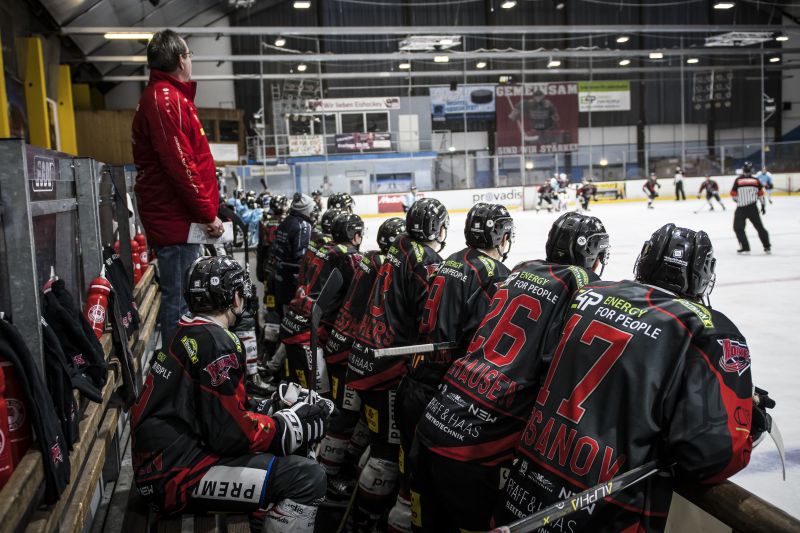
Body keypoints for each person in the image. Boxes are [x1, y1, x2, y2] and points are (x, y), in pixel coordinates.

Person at [493, 223, 772, 533]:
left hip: (523, 490)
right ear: (702, 274)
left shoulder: (590, 293)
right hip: (604, 513)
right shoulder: (706, 328)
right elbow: (709, 458)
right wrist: (746, 422)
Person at [411, 212, 610, 533]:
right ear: (593, 255)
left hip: (438, 412)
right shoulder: (581, 283)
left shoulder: (520, 270)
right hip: (477, 442)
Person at [131, 256, 333, 532]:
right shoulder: (218, 343)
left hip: (163, 466)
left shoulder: (188, 331)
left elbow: (214, 411)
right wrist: (286, 427)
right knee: (308, 477)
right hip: (175, 477)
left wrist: (268, 407)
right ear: (233, 296)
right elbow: (229, 437)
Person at [346, 198, 449, 532]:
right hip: (388, 367)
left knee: (381, 445)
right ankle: (367, 520)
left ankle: (364, 507)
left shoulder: (399, 247)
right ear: (439, 229)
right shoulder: (428, 261)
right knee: (389, 456)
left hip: (365, 354)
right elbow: (429, 320)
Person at [396, 203, 514, 457]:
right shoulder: (495, 274)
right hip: (444, 395)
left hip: (415, 377)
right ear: (502, 237)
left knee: (411, 473)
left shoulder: (450, 260)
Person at [131, 29, 224, 346]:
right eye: (189, 54)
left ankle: (181, 372)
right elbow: (181, 164)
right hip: (177, 219)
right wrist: (207, 214)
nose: (190, 60)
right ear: (181, 59)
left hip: (180, 218)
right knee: (181, 301)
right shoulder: (165, 100)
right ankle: (176, 377)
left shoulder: (171, 98)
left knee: (184, 299)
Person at [320, 218, 407, 500]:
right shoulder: (389, 266)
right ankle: (329, 480)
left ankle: (336, 469)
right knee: (352, 419)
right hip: (360, 355)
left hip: (343, 344)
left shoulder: (366, 258)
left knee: (354, 416)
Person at [272, 194, 315, 318]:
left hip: (280, 276)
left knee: (284, 315)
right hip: (292, 281)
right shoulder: (303, 225)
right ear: (306, 209)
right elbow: (301, 257)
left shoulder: (286, 221)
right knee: (293, 317)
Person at [732, 161, 771, 254]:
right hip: (752, 207)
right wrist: (763, 206)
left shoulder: (738, 180)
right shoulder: (756, 181)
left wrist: (738, 200)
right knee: (759, 227)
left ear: (743, 169)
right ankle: (767, 247)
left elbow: (733, 194)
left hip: (741, 208)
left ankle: (745, 247)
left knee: (738, 228)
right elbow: (761, 195)